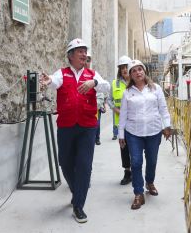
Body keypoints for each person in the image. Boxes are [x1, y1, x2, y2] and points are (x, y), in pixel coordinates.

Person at [40, 38, 109, 223]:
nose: (83, 55)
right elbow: (53, 81)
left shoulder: (92, 74)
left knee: (85, 165)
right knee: (65, 162)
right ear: (70, 56)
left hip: (87, 127)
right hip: (66, 126)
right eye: (79, 52)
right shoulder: (62, 74)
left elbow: (106, 86)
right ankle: (76, 188)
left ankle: (78, 205)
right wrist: (48, 80)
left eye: (84, 52)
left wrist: (94, 83)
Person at [118, 59, 171, 210]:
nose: (137, 72)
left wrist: (167, 126)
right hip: (133, 133)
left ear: (144, 71)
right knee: (135, 162)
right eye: (133, 71)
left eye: (139, 69)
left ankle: (150, 182)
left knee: (152, 161)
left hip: (154, 132)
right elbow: (123, 115)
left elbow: (163, 109)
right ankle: (138, 193)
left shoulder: (156, 89)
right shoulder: (127, 93)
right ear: (130, 75)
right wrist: (121, 135)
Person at [107, 55, 132, 185]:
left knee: (136, 149)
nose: (124, 69)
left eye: (126, 67)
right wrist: (115, 110)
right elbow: (109, 99)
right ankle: (127, 172)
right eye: (122, 67)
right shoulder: (115, 83)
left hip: (135, 122)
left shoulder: (137, 82)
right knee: (124, 148)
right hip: (121, 123)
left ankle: (136, 171)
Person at [85, 52, 106, 145]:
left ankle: (96, 138)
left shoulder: (94, 75)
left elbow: (102, 92)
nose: (86, 62)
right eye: (85, 60)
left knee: (96, 124)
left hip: (95, 108)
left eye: (88, 60)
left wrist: (96, 105)